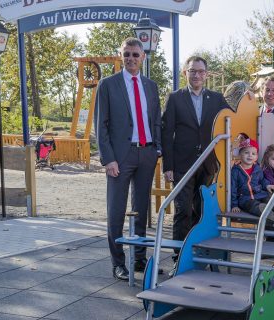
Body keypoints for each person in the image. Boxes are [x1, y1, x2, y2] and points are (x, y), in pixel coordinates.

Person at [95, 37, 162, 281]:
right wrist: (108, 159)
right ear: (120, 56)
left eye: (135, 54)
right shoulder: (108, 85)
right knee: (116, 210)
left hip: (146, 153)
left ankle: (139, 259)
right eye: (127, 54)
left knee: (141, 209)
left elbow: (156, 120)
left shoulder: (151, 86)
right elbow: (100, 126)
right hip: (120, 157)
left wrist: (158, 149)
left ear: (143, 57)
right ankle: (118, 263)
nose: (131, 58)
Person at [161, 56, 229, 260]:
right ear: (185, 73)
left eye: (200, 71)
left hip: (209, 163)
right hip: (182, 163)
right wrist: (168, 165)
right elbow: (166, 133)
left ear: (206, 74)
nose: (197, 75)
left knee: (202, 209)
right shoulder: (174, 98)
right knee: (182, 209)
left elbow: (230, 122)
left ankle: (199, 250)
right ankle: (179, 255)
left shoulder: (217, 99)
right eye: (192, 71)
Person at [231, 139, 274, 219]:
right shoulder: (236, 171)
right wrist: (234, 205)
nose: (250, 155)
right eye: (246, 153)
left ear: (256, 157)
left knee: (270, 201)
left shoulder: (257, 168)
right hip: (245, 198)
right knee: (254, 206)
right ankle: (266, 213)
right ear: (240, 154)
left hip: (260, 194)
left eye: (253, 154)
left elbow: (262, 180)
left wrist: (267, 186)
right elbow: (233, 188)